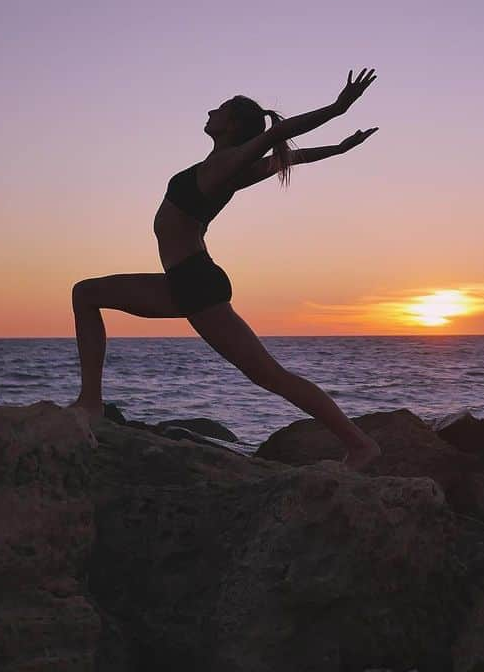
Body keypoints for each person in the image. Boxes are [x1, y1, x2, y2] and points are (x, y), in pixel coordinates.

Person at [69, 69, 382, 469]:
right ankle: (90, 402)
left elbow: (278, 137)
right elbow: (294, 155)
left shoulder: (231, 164)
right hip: (183, 282)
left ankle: (360, 445)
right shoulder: (228, 166)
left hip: (197, 285)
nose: (211, 111)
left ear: (232, 125)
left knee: (269, 375)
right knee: (86, 293)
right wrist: (337, 149)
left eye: (220, 109)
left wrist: (338, 109)